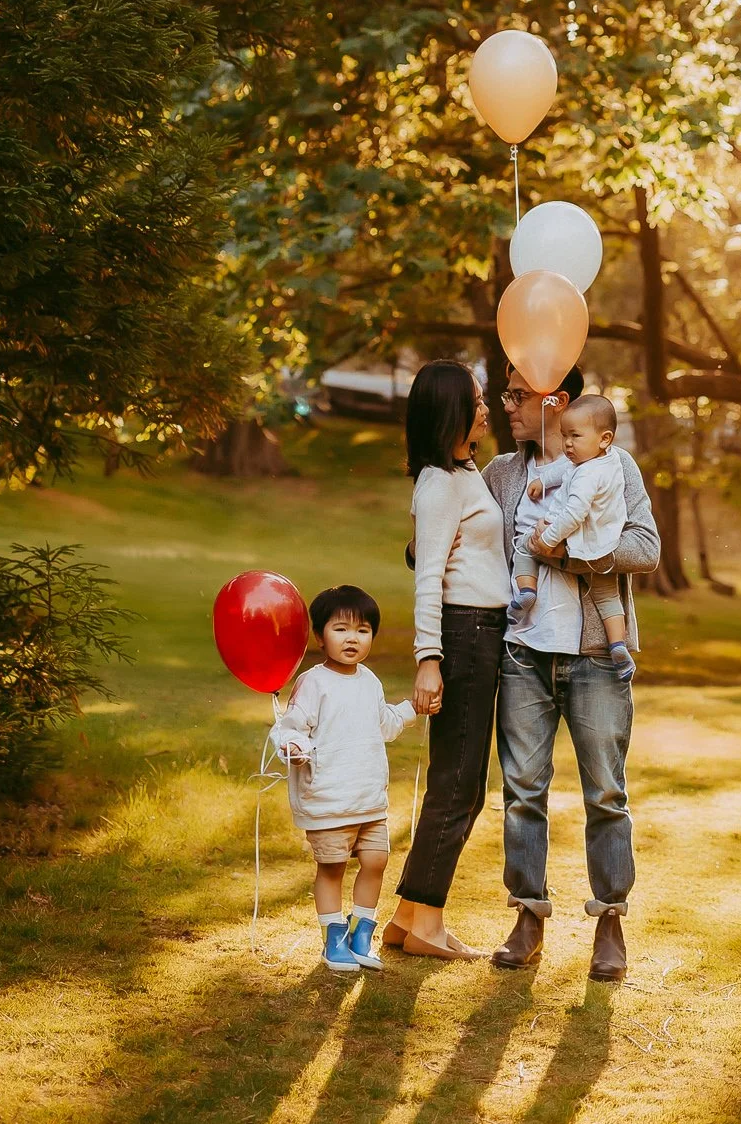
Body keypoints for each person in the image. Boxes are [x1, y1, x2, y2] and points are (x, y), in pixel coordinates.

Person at [482, 365, 660, 983]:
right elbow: (473, 542)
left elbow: (647, 548)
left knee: (605, 794)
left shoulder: (615, 466)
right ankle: (528, 915)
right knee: (521, 792)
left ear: (553, 400)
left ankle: (610, 921)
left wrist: (583, 555)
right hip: (522, 656)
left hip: (594, 657)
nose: (506, 404)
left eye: (516, 393)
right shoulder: (504, 474)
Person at [385, 359, 511, 960]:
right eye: (478, 400)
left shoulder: (466, 473)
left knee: (457, 784)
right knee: (460, 787)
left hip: (483, 632)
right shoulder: (439, 481)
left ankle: (408, 917)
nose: (487, 409)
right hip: (463, 634)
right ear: (451, 411)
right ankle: (427, 923)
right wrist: (427, 658)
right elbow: (428, 576)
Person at [272, 584, 416, 975]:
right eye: (341, 629)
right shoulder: (313, 682)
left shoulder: (369, 680)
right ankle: (332, 938)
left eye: (363, 630)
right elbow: (290, 726)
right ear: (320, 636)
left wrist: (410, 709)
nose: (352, 638)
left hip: (368, 798)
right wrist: (293, 746)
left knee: (376, 860)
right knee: (332, 867)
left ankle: (360, 934)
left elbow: (383, 724)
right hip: (329, 798)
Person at [512, 393, 635, 680]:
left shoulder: (585, 475)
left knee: (525, 548)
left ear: (604, 438)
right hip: (604, 545)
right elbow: (562, 468)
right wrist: (544, 480)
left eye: (575, 436)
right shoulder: (610, 460)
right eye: (564, 435)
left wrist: (548, 539)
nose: (567, 444)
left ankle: (527, 592)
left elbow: (574, 513)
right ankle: (618, 645)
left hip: (574, 539)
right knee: (607, 596)